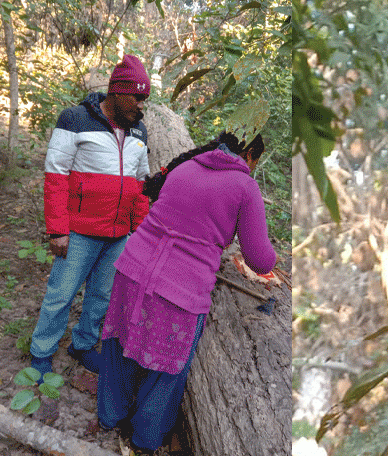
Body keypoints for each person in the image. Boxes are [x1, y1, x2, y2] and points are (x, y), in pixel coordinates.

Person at [95, 131, 276, 455]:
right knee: (168, 369)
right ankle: (145, 440)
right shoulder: (245, 186)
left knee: (118, 341)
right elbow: (260, 259)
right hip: (181, 289)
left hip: (132, 269)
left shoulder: (186, 166)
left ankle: (109, 416)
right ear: (249, 155)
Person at [32, 54, 152, 377]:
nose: (142, 105)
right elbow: (55, 174)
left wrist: (139, 234)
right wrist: (57, 229)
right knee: (61, 294)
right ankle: (41, 352)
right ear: (117, 91)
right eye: (137, 97)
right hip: (80, 232)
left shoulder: (139, 132)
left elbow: (141, 186)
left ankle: (83, 344)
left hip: (117, 235)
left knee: (101, 297)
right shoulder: (75, 119)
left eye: (145, 99)